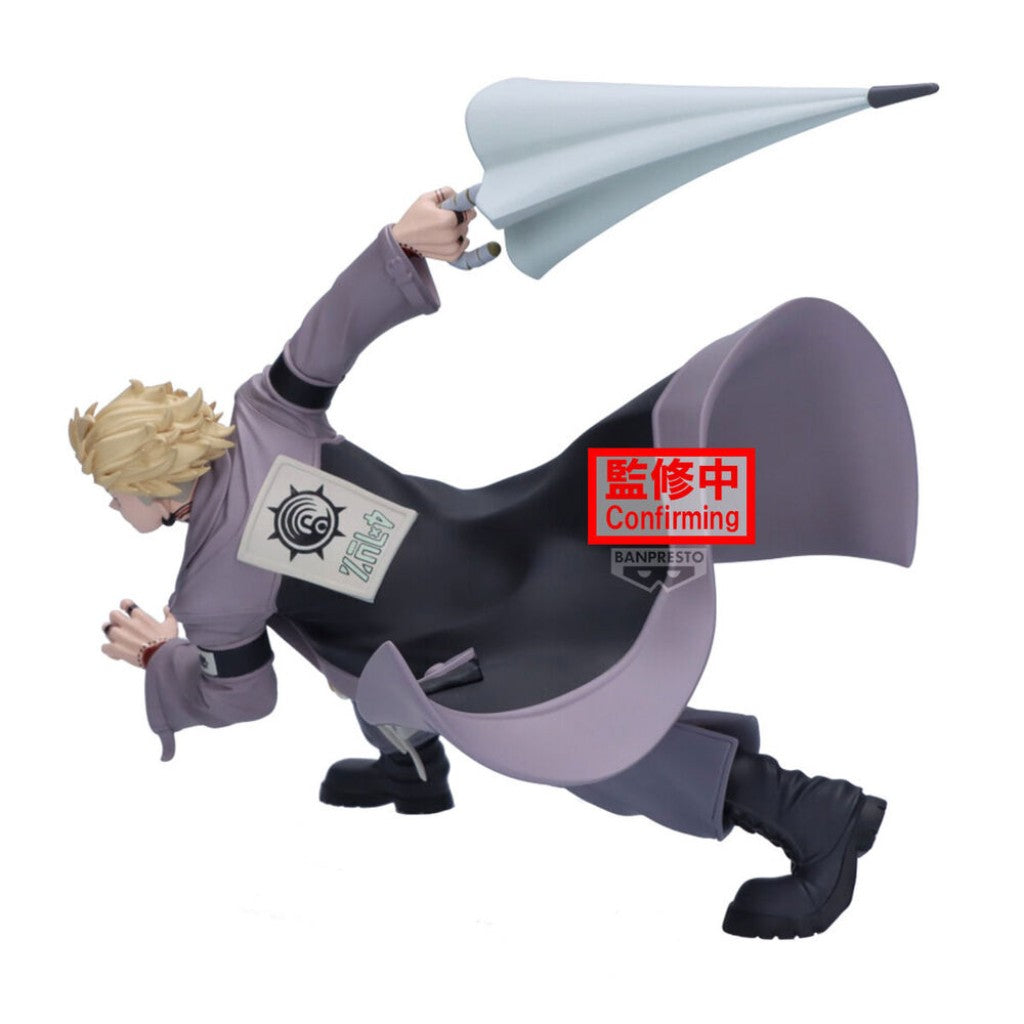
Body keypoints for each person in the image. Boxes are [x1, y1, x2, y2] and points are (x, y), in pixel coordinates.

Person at [70, 187, 910, 939]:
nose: (114, 507)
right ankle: (412, 769)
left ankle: (808, 808)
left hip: (479, 635)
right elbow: (331, 332)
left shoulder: (214, 589)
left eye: (115, 491)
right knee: (383, 657)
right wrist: (399, 244)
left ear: (156, 485)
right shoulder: (266, 413)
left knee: (585, 738)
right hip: (500, 538)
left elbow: (243, 695)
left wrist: (162, 658)